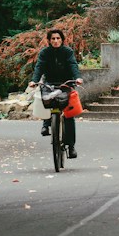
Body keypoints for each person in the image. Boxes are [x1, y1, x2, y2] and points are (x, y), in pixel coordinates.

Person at [32, 27, 83, 157]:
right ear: (49, 41)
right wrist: (34, 81)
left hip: (66, 83)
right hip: (50, 82)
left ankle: (71, 146)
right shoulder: (45, 53)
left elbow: (73, 65)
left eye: (58, 38)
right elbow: (39, 67)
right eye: (53, 38)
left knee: (69, 115)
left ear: (62, 40)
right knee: (47, 100)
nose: (55, 41)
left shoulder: (67, 51)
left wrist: (77, 78)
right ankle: (46, 123)